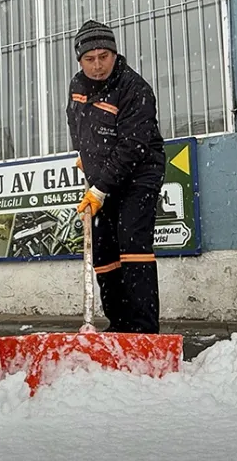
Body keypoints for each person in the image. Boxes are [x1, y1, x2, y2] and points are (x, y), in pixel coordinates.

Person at [67, 20, 166, 334]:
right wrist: (81, 154)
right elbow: (76, 121)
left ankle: (143, 330)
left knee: (132, 244)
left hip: (139, 174)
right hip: (102, 176)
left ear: (114, 53)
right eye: (89, 59)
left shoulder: (134, 89)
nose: (97, 66)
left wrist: (100, 189)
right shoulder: (78, 85)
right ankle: (119, 323)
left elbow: (132, 147)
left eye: (103, 56)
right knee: (104, 249)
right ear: (80, 60)